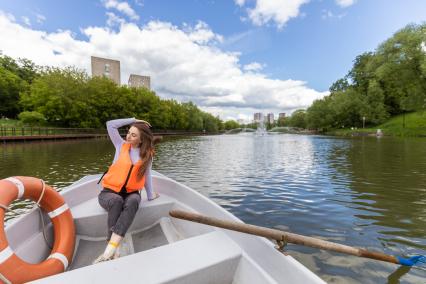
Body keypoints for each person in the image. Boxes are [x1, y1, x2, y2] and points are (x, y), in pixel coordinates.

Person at [94, 118, 159, 263]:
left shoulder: (147, 155)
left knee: (135, 200)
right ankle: (112, 246)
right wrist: (134, 120)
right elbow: (110, 124)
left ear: (142, 140)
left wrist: (150, 195)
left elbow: (147, 176)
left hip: (131, 193)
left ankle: (109, 250)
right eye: (128, 132)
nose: (128, 136)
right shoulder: (120, 145)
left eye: (134, 135)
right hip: (109, 192)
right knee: (117, 201)